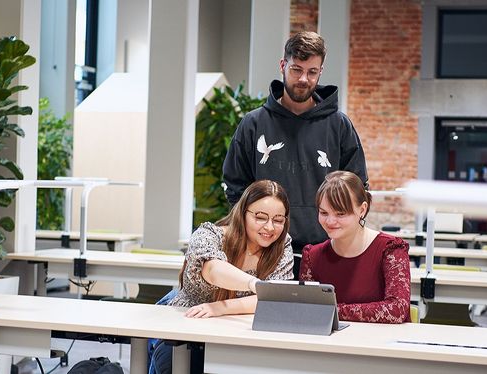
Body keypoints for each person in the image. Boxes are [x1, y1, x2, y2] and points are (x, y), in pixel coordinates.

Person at [222, 31, 368, 277]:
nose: (303, 79)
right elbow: (236, 186)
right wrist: (256, 233)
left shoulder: (339, 126)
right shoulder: (253, 124)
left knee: (323, 315)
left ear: (320, 72)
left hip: (326, 252)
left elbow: (356, 188)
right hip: (264, 253)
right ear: (283, 65)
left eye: (312, 72)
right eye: (296, 70)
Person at [149, 180, 294, 374]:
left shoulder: (282, 245)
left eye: (278, 220)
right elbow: (212, 270)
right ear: (242, 212)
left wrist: (218, 308)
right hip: (189, 331)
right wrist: (255, 285)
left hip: (241, 335)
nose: (270, 227)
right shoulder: (209, 235)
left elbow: (274, 298)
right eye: (260, 217)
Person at [299, 171, 411, 324]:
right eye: (323, 212)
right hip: (331, 344)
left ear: (362, 210)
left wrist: (332, 310)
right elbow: (306, 309)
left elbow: (397, 310)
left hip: (380, 344)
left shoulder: (390, 249)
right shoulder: (312, 255)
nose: (330, 221)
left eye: (340, 214)